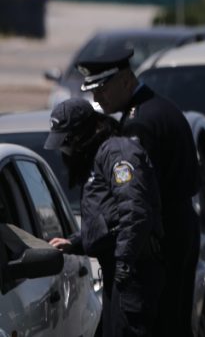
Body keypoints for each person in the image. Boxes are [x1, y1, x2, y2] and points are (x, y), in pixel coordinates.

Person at [78, 46, 200, 337]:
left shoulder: (139, 123)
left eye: (102, 89)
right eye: (93, 91)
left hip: (162, 237)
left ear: (125, 80)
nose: (97, 98)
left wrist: (125, 256)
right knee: (175, 322)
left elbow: (138, 199)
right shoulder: (159, 107)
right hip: (179, 226)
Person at [45, 98, 162, 336]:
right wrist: (76, 242)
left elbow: (135, 210)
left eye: (66, 142)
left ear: (81, 134)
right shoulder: (98, 156)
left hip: (132, 273)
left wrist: (124, 263)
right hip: (119, 272)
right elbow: (108, 216)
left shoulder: (116, 152)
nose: (65, 150)